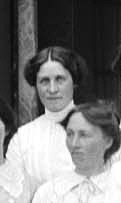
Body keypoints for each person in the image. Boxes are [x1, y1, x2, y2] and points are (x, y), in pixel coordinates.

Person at [8, 46, 88, 186]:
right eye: (44, 81)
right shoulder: (23, 138)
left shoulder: (96, 128)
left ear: (73, 81)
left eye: (60, 79)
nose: (52, 89)